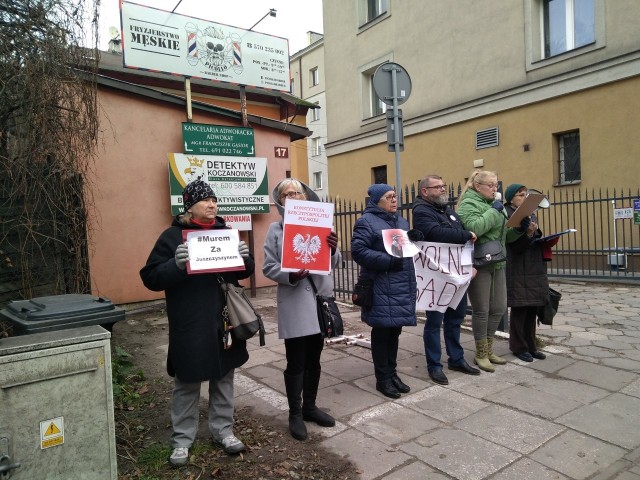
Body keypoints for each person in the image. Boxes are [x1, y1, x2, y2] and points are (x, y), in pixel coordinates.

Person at [139, 180, 254, 466]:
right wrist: (174, 266)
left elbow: (243, 273)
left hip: (224, 320)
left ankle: (223, 431)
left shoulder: (226, 233)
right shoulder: (171, 237)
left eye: (215, 200)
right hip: (190, 323)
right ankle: (182, 440)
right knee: (187, 381)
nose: (213, 205)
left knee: (224, 376)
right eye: (206, 201)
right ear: (189, 207)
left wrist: (245, 258)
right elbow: (150, 277)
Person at [262, 178, 340, 441]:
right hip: (295, 302)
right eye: (287, 193)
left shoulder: (323, 223)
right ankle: (294, 413)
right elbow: (268, 267)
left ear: (306, 197)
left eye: (298, 192)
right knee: (295, 361)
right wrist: (291, 275)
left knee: (314, 359)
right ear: (280, 201)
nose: (294, 196)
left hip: (319, 300)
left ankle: (310, 407)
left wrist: (334, 247)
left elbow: (334, 263)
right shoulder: (275, 229)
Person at [457, 171, 529, 372]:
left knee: (499, 307)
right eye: (490, 185)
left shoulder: (492, 205)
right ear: (477, 186)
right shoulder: (468, 204)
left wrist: (520, 230)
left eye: (496, 185)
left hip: (498, 261)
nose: (495, 189)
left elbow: (504, 237)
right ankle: (480, 353)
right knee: (482, 310)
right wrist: (494, 211)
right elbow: (474, 228)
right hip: (479, 264)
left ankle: (489, 349)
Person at [412, 175, 481, 385]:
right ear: (425, 191)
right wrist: (465, 235)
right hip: (437, 278)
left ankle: (456, 359)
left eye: (444, 186)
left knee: (456, 318)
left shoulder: (448, 211)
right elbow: (434, 233)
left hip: (456, 276)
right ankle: (434, 365)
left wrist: (470, 266)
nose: (443, 189)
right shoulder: (421, 211)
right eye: (438, 187)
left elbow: (459, 240)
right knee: (434, 322)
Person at [351, 184, 418, 399]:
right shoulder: (366, 222)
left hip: (401, 284)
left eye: (395, 196)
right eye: (389, 197)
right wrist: (388, 261)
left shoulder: (401, 221)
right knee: (382, 332)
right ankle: (382, 378)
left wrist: (414, 238)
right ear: (377, 200)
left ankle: (392, 374)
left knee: (395, 332)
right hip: (381, 285)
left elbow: (403, 248)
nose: (394, 200)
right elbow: (358, 251)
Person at [504, 184, 556, 362]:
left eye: (525, 194)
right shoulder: (508, 214)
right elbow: (515, 246)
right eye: (520, 195)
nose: (524, 197)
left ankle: (531, 345)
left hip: (533, 267)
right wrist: (527, 234)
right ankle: (519, 347)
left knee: (532, 308)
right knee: (520, 308)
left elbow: (534, 238)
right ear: (511, 199)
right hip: (518, 268)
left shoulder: (530, 214)